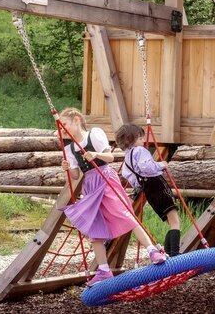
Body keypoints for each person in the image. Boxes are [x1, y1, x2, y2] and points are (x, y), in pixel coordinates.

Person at [57, 108, 167, 286]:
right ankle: (103, 270)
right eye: (61, 128)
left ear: (76, 120)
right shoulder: (69, 148)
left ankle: (152, 250)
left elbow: (110, 158)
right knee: (94, 229)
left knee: (125, 214)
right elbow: (76, 176)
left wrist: (96, 154)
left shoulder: (94, 134)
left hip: (105, 178)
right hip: (90, 185)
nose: (63, 129)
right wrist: (68, 167)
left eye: (65, 125)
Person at [116, 124, 182, 256]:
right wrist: (161, 165)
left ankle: (170, 252)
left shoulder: (127, 156)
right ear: (131, 139)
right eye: (140, 138)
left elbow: (128, 174)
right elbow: (147, 167)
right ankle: (174, 253)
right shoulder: (140, 151)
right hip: (157, 184)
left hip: (147, 189)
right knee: (175, 220)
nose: (143, 141)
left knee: (170, 220)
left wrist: (138, 184)